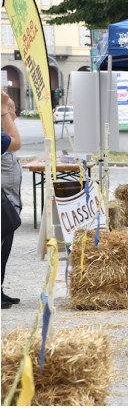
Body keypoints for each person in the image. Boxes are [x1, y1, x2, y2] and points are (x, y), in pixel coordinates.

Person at [1, 90, 22, 309]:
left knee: (4, 252)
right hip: (3, 202)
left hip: (9, 203)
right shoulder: (4, 133)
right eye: (9, 108)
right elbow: (15, 143)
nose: (12, 113)